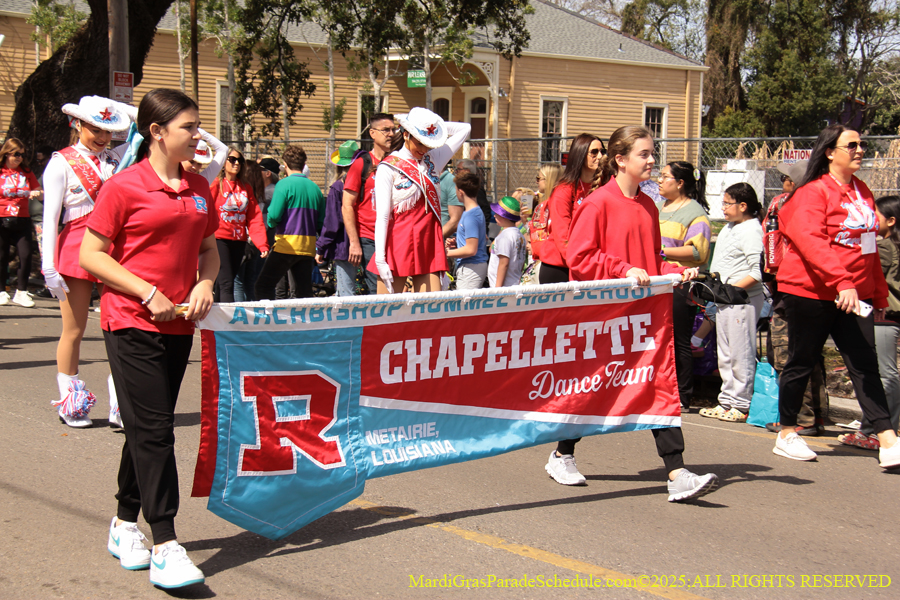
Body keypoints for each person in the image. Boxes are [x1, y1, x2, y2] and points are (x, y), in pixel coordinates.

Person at [79, 87, 217, 589]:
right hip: (131, 319)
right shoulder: (124, 187)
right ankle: (165, 541)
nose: (196, 134)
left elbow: (208, 249)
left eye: (197, 125)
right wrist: (145, 290)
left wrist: (205, 282)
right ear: (156, 132)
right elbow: (91, 256)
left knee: (144, 423)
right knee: (157, 429)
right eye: (188, 127)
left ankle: (122, 522)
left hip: (180, 322)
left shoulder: (201, 186)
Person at [552, 125, 718, 503]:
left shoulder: (647, 205)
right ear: (620, 160)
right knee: (594, 389)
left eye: (652, 152)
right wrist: (622, 269)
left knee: (661, 386)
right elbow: (580, 257)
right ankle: (562, 453)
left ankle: (676, 473)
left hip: (643, 317)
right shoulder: (597, 203)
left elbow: (651, 261)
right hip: (605, 317)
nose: (652, 160)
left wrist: (678, 273)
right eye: (644, 154)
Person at [774, 124, 900, 467]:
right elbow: (811, 242)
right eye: (852, 145)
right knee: (802, 360)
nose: (860, 150)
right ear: (830, 151)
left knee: (864, 364)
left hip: (852, 295)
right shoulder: (812, 192)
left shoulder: (862, 191)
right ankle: (787, 432)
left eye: (862, 145)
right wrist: (842, 281)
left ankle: (888, 439)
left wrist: (877, 291)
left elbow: (869, 247)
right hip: (811, 291)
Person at [42, 95, 137, 428]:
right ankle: (71, 401)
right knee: (75, 330)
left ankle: (120, 404)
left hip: (113, 250)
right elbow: (51, 218)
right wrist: (48, 265)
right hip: (75, 249)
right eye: (95, 128)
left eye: (108, 131)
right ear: (77, 124)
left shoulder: (118, 159)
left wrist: (124, 112)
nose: (102, 137)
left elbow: (144, 128)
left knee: (119, 329)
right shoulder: (61, 163)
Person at [371, 107, 471, 294]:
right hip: (398, 241)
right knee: (389, 314)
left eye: (429, 144)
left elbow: (465, 129)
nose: (424, 149)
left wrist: (431, 127)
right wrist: (380, 259)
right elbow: (383, 216)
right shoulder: (388, 167)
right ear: (407, 135)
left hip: (428, 240)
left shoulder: (433, 158)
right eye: (420, 142)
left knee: (429, 312)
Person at [764, 160, 830, 436]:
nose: (783, 183)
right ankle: (816, 416)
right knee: (810, 355)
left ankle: (799, 417)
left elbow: (771, 251)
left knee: (787, 356)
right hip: (818, 292)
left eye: (786, 179)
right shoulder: (826, 204)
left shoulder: (786, 206)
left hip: (790, 292)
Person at [699, 182, 764, 423]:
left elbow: (756, 272)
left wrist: (732, 290)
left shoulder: (751, 230)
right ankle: (726, 400)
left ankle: (741, 403)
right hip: (724, 298)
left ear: (743, 206)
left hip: (741, 300)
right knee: (725, 352)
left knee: (740, 352)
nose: (724, 208)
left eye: (727, 203)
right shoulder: (730, 227)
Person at [839, 195, 900, 450]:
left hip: (883, 316)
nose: (871, 217)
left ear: (892, 220)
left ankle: (877, 432)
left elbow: (865, 271)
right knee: (887, 372)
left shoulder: (884, 247)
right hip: (892, 316)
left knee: (883, 374)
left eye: (876, 213)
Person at [657, 161, 711, 412]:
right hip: (657, 281)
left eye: (665, 176)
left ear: (680, 183)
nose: (659, 180)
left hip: (681, 283)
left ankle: (682, 394)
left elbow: (698, 252)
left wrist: (663, 252)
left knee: (679, 339)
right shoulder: (657, 207)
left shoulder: (695, 213)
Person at [254, 145, 325, 300]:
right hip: (307, 247)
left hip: (286, 245)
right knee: (303, 293)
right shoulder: (315, 189)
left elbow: (273, 215)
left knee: (263, 286)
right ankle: (304, 324)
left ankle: (271, 322)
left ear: (285, 165)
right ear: (303, 164)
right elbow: (320, 222)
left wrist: (272, 226)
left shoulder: (283, 185)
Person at [539, 134, 603, 284]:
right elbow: (563, 236)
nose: (600, 156)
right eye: (594, 152)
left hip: (591, 264)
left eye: (602, 151)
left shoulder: (604, 186)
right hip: (560, 267)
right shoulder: (564, 189)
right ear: (580, 154)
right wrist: (584, 266)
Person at [342, 113, 395, 295]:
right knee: (379, 290)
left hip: (395, 237)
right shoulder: (361, 164)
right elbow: (347, 205)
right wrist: (354, 243)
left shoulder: (398, 163)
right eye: (385, 130)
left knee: (395, 289)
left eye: (393, 130)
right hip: (369, 237)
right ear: (372, 133)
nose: (391, 134)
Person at [209, 148, 269, 302]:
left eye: (240, 161)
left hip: (239, 240)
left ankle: (217, 321)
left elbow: (254, 217)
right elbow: (206, 212)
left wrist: (261, 244)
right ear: (223, 162)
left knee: (224, 283)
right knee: (227, 283)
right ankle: (228, 324)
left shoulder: (245, 187)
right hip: (219, 239)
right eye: (232, 159)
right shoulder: (216, 184)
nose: (236, 163)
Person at [0, 138, 42, 307]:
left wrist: (36, 193)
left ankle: (21, 292)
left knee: (25, 255)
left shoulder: (26, 172)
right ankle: (2, 290)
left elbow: (39, 191)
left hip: (22, 217)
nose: (19, 158)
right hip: (2, 217)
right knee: (1, 256)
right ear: (6, 153)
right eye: (16, 154)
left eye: (22, 155)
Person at [317, 140, 359, 297]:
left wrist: (321, 247)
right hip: (366, 241)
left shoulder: (338, 187)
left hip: (344, 245)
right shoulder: (365, 183)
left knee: (346, 292)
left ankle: (350, 322)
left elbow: (332, 222)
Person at [446, 172, 488, 289]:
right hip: (471, 267)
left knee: (464, 306)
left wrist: (445, 253)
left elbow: (471, 249)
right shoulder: (473, 213)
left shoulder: (471, 216)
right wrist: (458, 243)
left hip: (471, 268)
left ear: (461, 192)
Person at [488, 196, 527, 287]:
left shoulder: (504, 236)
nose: (494, 215)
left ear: (504, 216)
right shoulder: (519, 235)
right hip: (514, 283)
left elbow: (503, 263)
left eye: (496, 213)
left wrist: (498, 289)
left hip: (503, 288)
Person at [528, 162, 563, 264]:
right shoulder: (542, 206)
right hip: (541, 258)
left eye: (539, 178)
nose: (536, 182)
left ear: (549, 180)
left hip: (553, 260)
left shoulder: (560, 205)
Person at [439, 162, 465, 238]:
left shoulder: (450, 181)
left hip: (439, 242)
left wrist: (434, 240)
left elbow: (455, 220)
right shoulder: (419, 178)